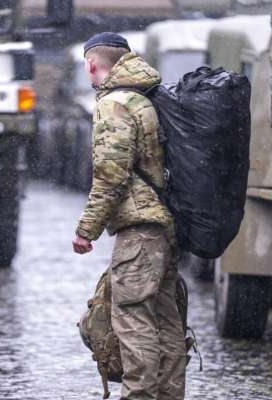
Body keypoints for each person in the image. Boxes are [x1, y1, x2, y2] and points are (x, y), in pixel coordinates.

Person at [72, 32, 186, 400]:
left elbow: (111, 173)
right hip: (164, 227)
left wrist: (86, 229)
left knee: (133, 320)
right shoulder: (145, 98)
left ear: (92, 62)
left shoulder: (115, 103)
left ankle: (139, 396)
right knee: (165, 320)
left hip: (138, 231)